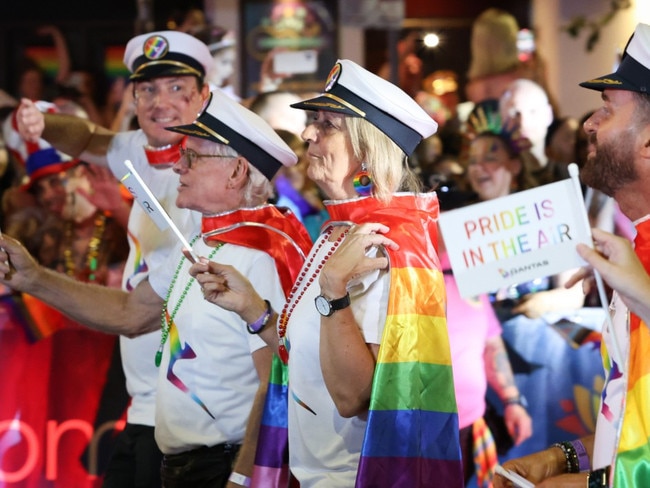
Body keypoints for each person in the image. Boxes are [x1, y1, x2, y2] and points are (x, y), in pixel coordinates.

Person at [0, 88, 312, 487]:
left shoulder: (263, 253)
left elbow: (277, 380)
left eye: (193, 156)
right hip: (183, 465)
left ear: (236, 172)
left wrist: (243, 477)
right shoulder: (203, 240)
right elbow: (130, 313)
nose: (178, 166)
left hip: (225, 469)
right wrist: (32, 278)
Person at [189, 59, 465, 487]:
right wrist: (255, 311)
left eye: (327, 124)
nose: (306, 134)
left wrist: (333, 292)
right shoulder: (341, 229)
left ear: (369, 148)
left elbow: (352, 396)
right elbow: (306, 356)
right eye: (312, 120)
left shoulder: (386, 240)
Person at [15, 30, 213, 487]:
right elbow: (87, 137)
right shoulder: (139, 153)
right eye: (147, 89)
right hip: (146, 405)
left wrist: (34, 278)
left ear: (205, 95)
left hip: (197, 414)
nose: (159, 101)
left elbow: (134, 315)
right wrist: (43, 124)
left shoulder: (215, 179)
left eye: (176, 88)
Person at [494, 22, 650, 488]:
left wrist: (592, 486)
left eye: (607, 109)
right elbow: (633, 417)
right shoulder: (634, 253)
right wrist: (565, 457)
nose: (588, 123)